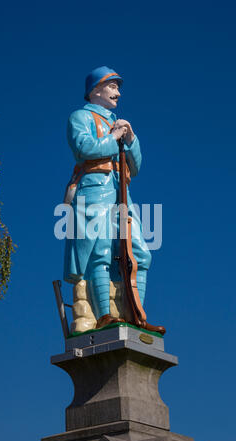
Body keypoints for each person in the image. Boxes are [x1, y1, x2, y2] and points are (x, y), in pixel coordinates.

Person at [63, 66, 165, 334]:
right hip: (94, 190)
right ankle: (105, 315)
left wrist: (130, 139)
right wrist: (113, 138)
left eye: (117, 87)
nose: (117, 93)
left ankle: (136, 315)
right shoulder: (80, 117)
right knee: (102, 251)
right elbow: (83, 148)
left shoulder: (118, 123)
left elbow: (137, 166)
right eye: (112, 87)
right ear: (96, 89)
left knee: (140, 254)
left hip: (122, 194)